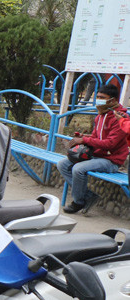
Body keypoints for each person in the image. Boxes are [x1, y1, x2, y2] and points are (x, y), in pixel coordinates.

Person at [58, 84, 129, 213]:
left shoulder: (120, 118)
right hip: (96, 156)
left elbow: (111, 144)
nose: (99, 100)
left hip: (111, 161)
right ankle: (88, 196)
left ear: (112, 100)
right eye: (98, 97)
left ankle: (78, 202)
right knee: (62, 164)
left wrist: (84, 140)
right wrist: (83, 137)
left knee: (78, 169)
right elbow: (97, 136)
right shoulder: (100, 115)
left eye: (102, 97)